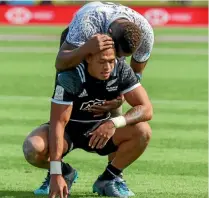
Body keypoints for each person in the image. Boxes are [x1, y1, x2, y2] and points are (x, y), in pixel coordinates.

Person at [34, 1, 154, 195]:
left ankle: (112, 178)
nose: (116, 61)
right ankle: (57, 172)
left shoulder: (145, 33)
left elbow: (135, 73)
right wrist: (84, 49)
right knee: (66, 98)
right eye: (116, 54)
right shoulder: (87, 23)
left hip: (108, 73)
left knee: (122, 118)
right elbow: (61, 62)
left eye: (121, 57)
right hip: (81, 47)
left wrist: (120, 99)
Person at [23, 46, 153, 198]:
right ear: (88, 59)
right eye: (102, 62)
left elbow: (146, 109)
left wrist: (113, 123)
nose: (108, 67)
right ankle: (65, 173)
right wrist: (55, 173)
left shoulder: (121, 69)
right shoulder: (70, 76)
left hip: (100, 129)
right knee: (32, 148)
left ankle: (108, 179)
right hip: (68, 131)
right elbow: (58, 123)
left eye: (111, 61)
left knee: (143, 131)